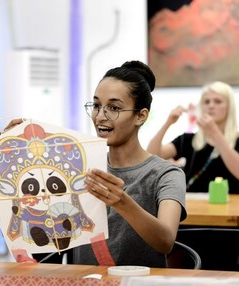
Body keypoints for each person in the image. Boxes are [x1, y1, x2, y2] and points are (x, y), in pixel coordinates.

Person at [73, 61, 187, 268]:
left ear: (140, 116)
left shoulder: (166, 174)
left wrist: (122, 201)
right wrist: (2, 150)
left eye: (114, 108)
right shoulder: (82, 165)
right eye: (97, 106)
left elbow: (166, 241)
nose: (100, 116)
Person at [147, 81, 239, 193]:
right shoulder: (188, 140)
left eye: (218, 101)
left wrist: (215, 132)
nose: (211, 106)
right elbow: (151, 156)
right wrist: (168, 123)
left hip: (230, 207)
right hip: (192, 205)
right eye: (206, 102)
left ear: (229, 107)